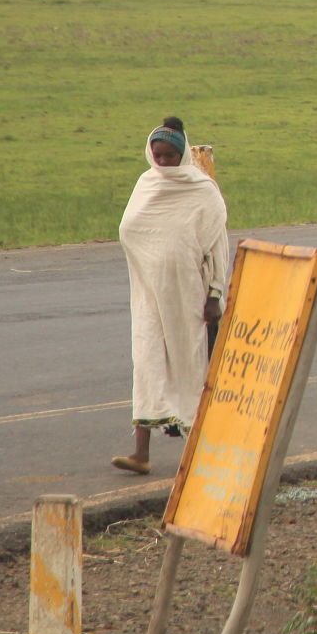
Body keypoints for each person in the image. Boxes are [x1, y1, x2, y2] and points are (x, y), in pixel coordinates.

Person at [113, 117, 232, 475]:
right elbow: (131, 229)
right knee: (147, 360)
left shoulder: (202, 190)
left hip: (188, 295)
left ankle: (197, 451)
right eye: (158, 154)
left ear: (182, 156)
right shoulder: (146, 184)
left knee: (189, 366)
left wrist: (214, 293)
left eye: (170, 156)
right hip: (149, 294)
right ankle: (140, 452)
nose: (163, 162)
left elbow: (217, 245)